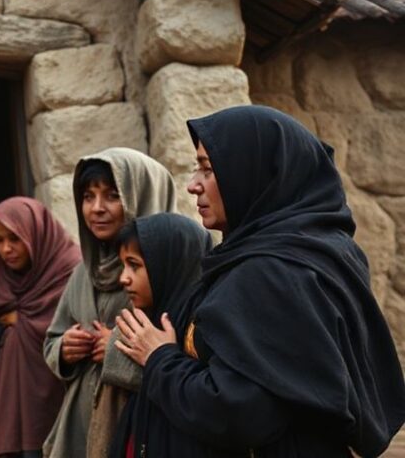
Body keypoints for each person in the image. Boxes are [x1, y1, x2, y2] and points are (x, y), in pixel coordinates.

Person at [116, 105, 405, 457]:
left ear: (253, 172)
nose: (193, 185)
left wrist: (160, 358)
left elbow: (237, 411)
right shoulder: (313, 251)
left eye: (208, 168)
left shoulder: (270, 274)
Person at [43, 148, 177, 458]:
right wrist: (65, 348)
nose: (97, 208)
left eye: (112, 195)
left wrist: (116, 348)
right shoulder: (84, 270)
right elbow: (52, 339)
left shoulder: (170, 268)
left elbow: (182, 350)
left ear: (141, 194)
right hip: (81, 428)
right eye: (88, 197)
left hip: (141, 427)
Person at [0, 197, 83, 458]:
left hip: (52, 396)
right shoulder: (4, 277)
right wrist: (1, 328)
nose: (6, 249)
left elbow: (77, 324)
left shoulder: (70, 269)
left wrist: (23, 322)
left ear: (36, 233)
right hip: (9, 398)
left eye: (15, 238)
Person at [106, 213, 212, 458]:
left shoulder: (201, 333)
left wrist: (164, 358)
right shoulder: (155, 321)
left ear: (168, 265)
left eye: (134, 265)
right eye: (123, 265)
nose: (123, 278)